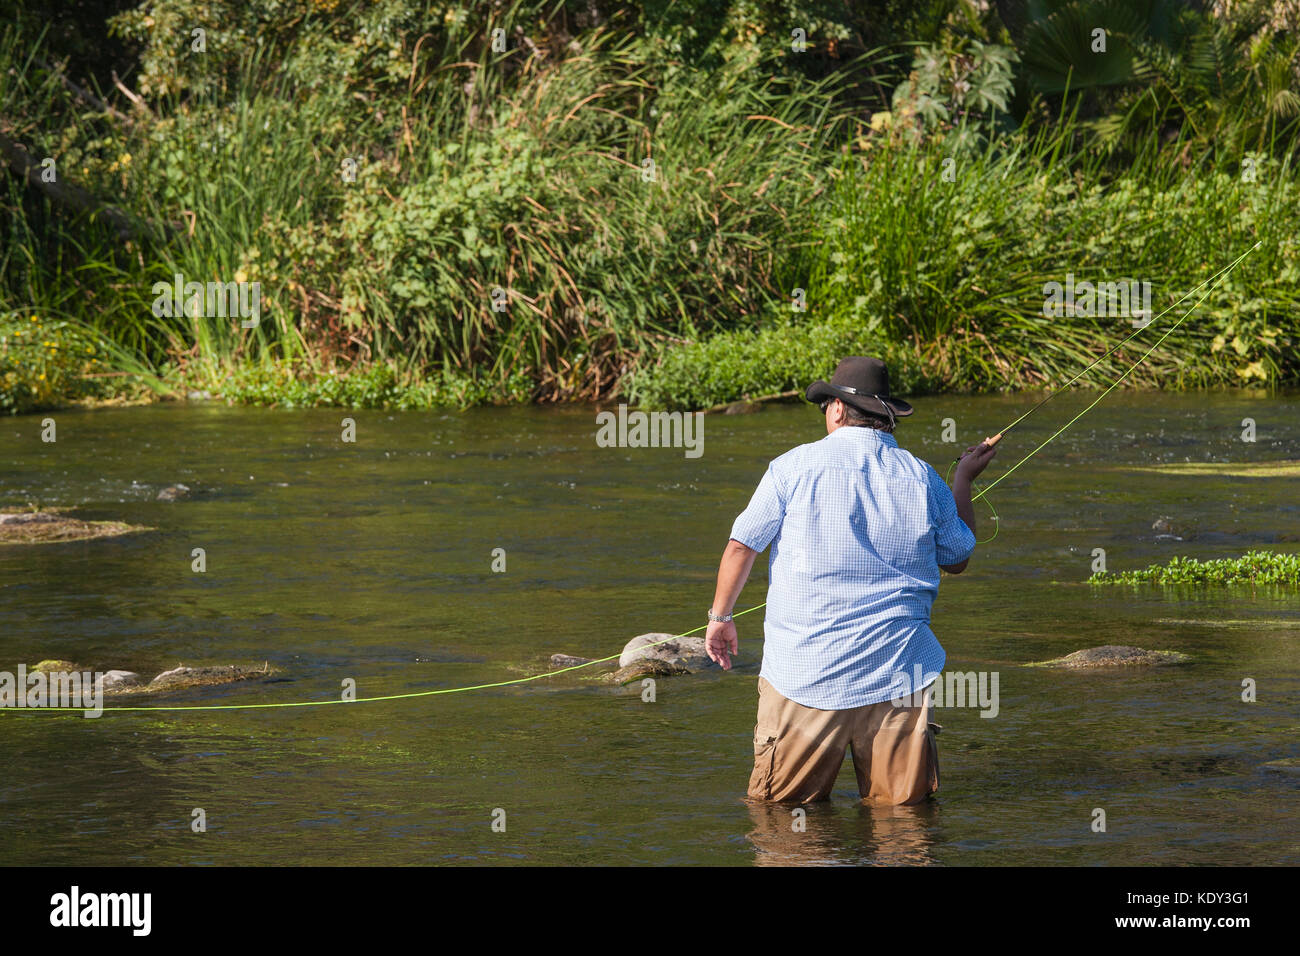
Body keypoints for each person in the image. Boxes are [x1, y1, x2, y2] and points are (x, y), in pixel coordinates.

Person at [704, 356, 997, 805]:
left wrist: (720, 617)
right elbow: (957, 558)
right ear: (885, 416)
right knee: (903, 828)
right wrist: (962, 478)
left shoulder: (790, 468)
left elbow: (742, 547)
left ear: (837, 410)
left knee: (784, 823)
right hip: (900, 674)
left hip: (806, 675)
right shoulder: (923, 477)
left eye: (826, 407)